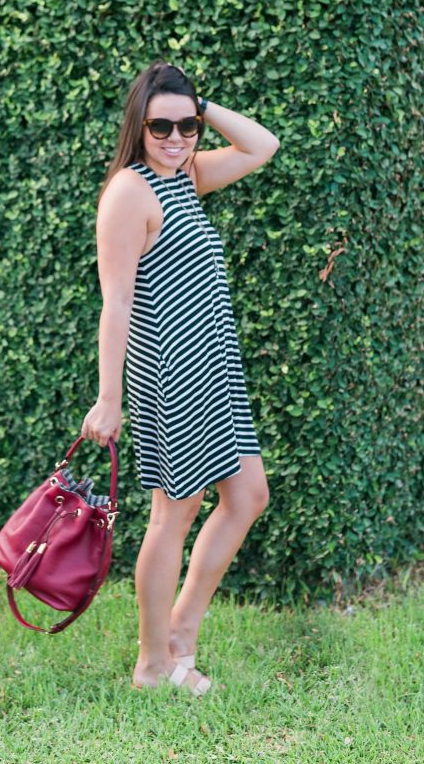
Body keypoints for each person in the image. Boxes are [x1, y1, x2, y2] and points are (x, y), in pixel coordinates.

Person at [80, 60, 280, 696]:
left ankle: (180, 637)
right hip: (171, 373)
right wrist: (109, 398)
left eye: (186, 125)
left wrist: (203, 105)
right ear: (137, 126)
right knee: (175, 514)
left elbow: (262, 145)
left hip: (215, 367)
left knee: (247, 496)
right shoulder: (129, 193)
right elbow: (116, 303)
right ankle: (151, 665)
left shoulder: (186, 176)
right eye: (160, 125)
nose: (175, 137)